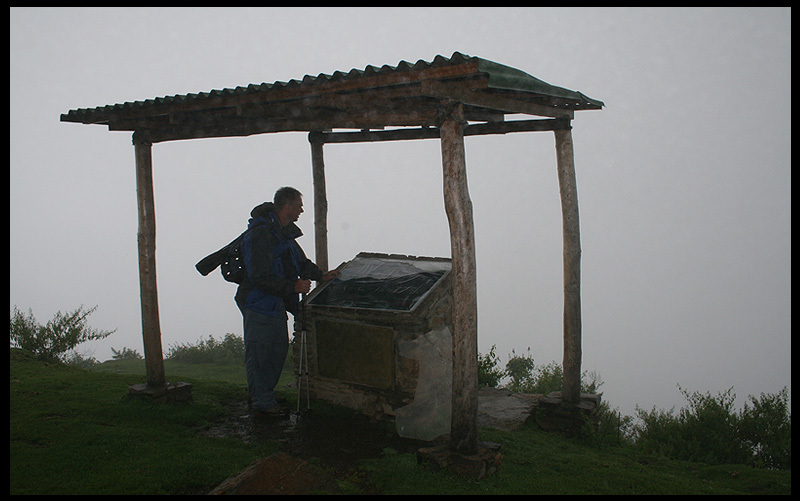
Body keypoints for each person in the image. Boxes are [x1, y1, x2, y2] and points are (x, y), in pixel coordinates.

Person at [235, 187, 338, 417]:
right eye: (299, 205)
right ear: (287, 205)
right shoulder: (261, 234)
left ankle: (264, 395)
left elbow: (299, 262)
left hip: (275, 303)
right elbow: (259, 275)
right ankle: (262, 401)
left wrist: (321, 275)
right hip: (258, 303)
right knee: (260, 352)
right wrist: (291, 287)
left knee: (277, 350)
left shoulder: (284, 234)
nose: (302, 209)